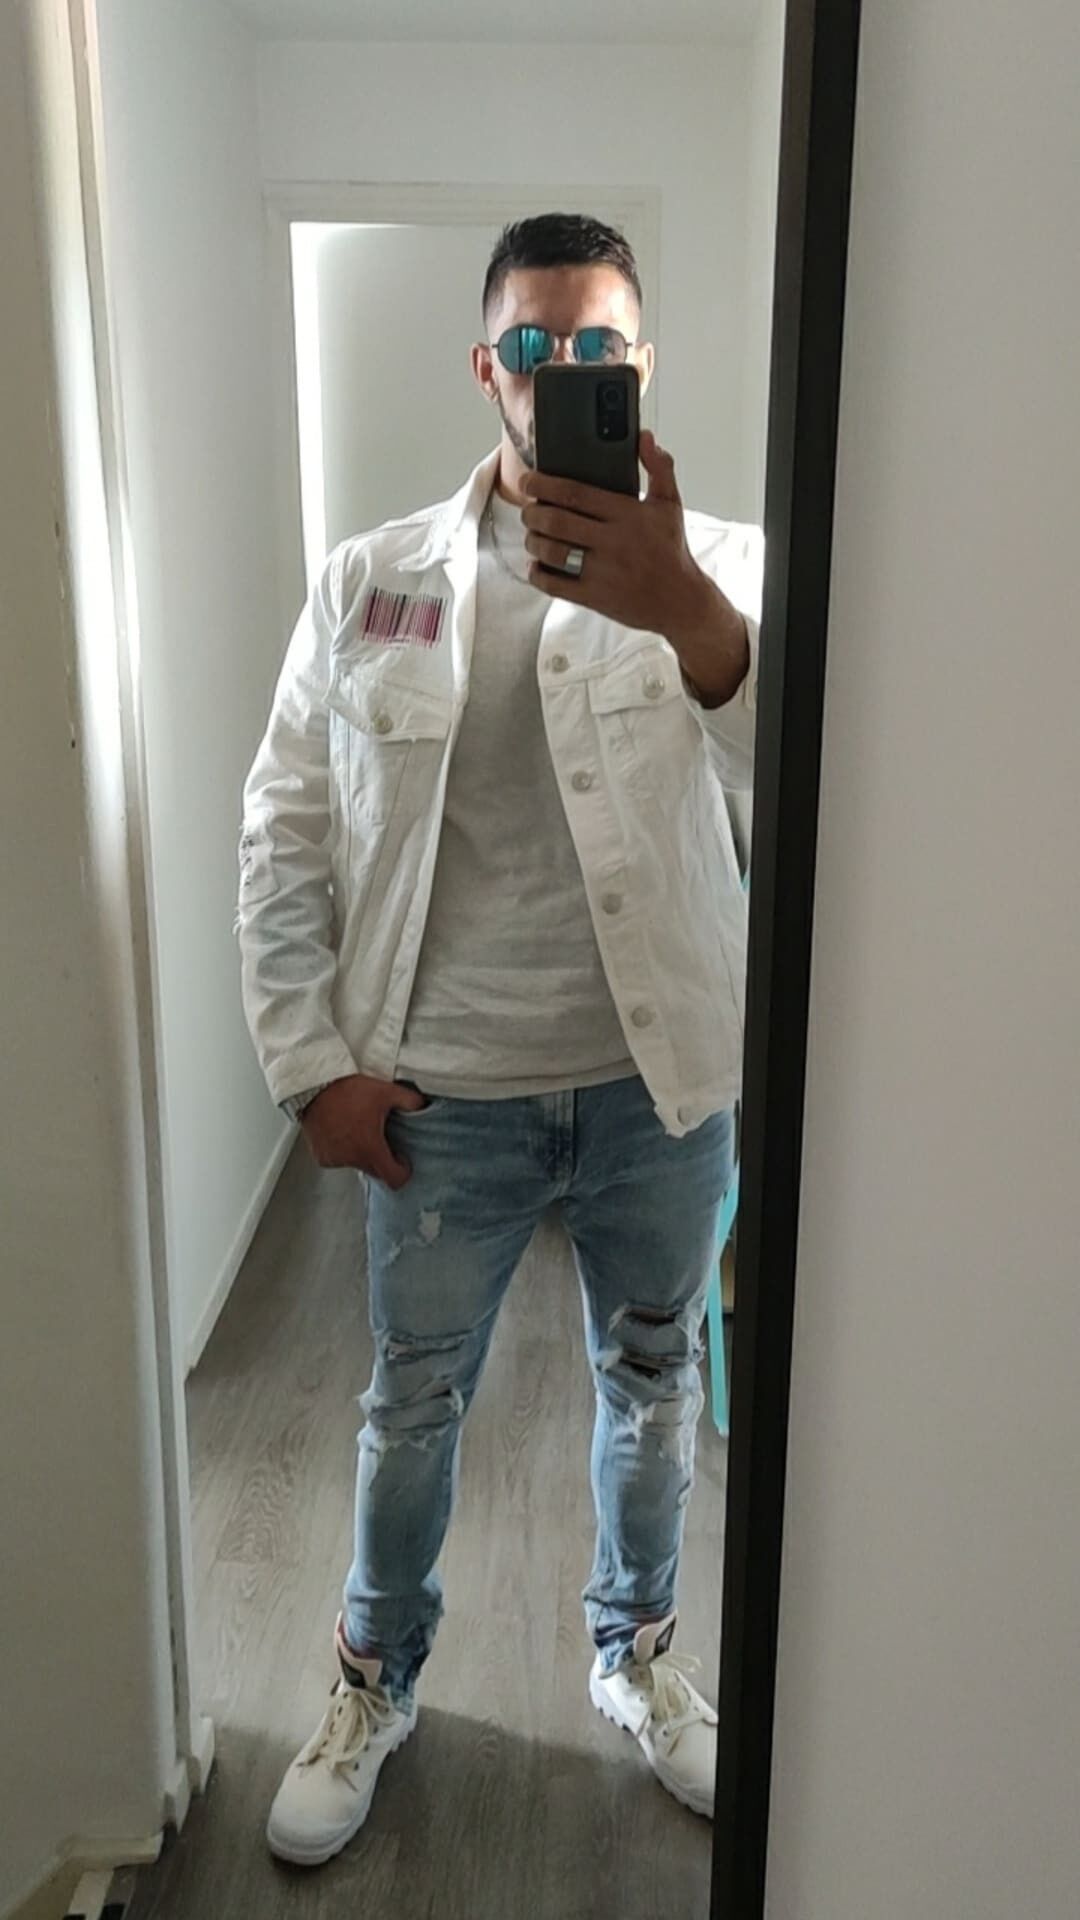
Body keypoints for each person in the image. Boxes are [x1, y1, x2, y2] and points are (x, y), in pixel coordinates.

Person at [235, 212, 762, 1869]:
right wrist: (309, 1067)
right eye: (535, 347)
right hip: (440, 1096)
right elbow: (283, 826)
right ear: (488, 369)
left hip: (657, 1093)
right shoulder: (372, 580)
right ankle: (372, 1682)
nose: (566, 371)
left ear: (642, 365)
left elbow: (811, 773)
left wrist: (691, 612)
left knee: (655, 1391)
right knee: (410, 1404)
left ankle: (640, 1657)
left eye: (600, 347)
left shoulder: (725, 565)